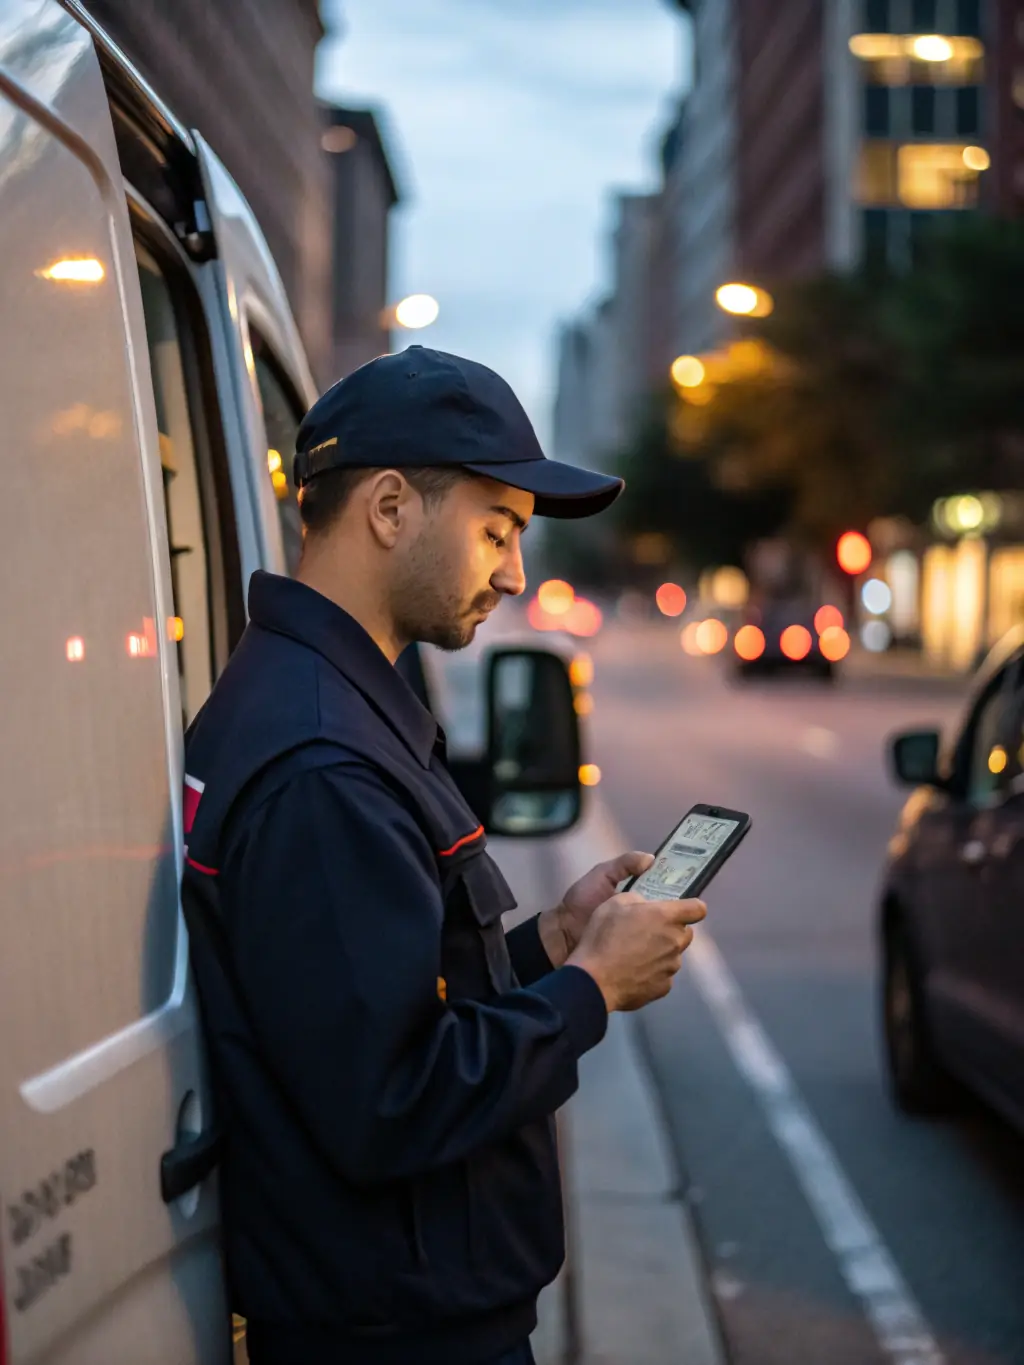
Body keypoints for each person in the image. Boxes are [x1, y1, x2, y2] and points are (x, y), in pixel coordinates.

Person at [180, 346, 706, 1365]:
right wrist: (592, 989)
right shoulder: (322, 761)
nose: (515, 573)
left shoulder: (319, 704)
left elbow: (376, 991)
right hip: (397, 1334)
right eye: (498, 531)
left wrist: (552, 942)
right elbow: (389, 1100)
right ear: (389, 508)